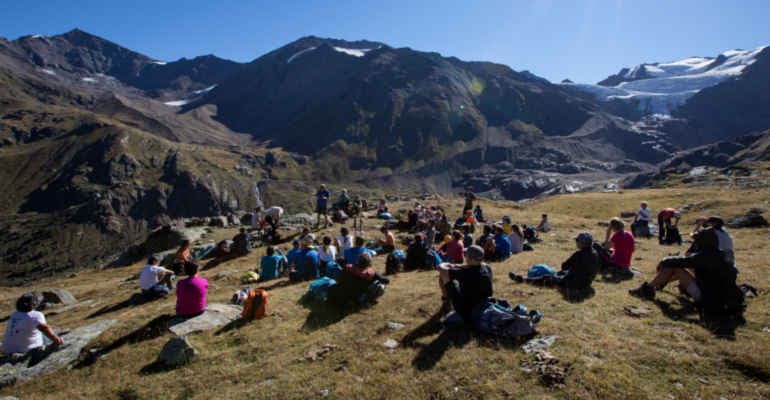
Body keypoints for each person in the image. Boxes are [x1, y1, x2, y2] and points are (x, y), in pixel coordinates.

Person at [630, 228, 744, 318]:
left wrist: (663, 261)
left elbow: (674, 262)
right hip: (726, 298)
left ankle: (648, 289)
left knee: (675, 268)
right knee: (687, 268)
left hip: (708, 298)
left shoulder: (703, 256)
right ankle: (656, 285)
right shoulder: (722, 254)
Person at [510, 232, 599, 291]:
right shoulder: (594, 253)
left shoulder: (578, 254)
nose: (576, 242)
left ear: (583, 243)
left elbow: (564, 266)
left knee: (547, 278)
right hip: (587, 282)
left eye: (577, 240)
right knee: (561, 273)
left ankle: (523, 280)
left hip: (574, 284)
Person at [438, 245, 493, 324]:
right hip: (484, 303)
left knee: (447, 320)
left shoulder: (465, 273)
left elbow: (441, 269)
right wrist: (456, 265)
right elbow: (470, 265)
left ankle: (446, 301)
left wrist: (446, 264)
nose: (464, 256)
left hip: (468, 310)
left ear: (470, 259)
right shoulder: (486, 267)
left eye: (465, 255)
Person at [2, 293, 64, 359]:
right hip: (25, 349)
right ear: (34, 303)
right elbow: (45, 328)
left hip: (7, 349)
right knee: (54, 332)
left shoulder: (14, 314)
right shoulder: (36, 315)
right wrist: (57, 339)